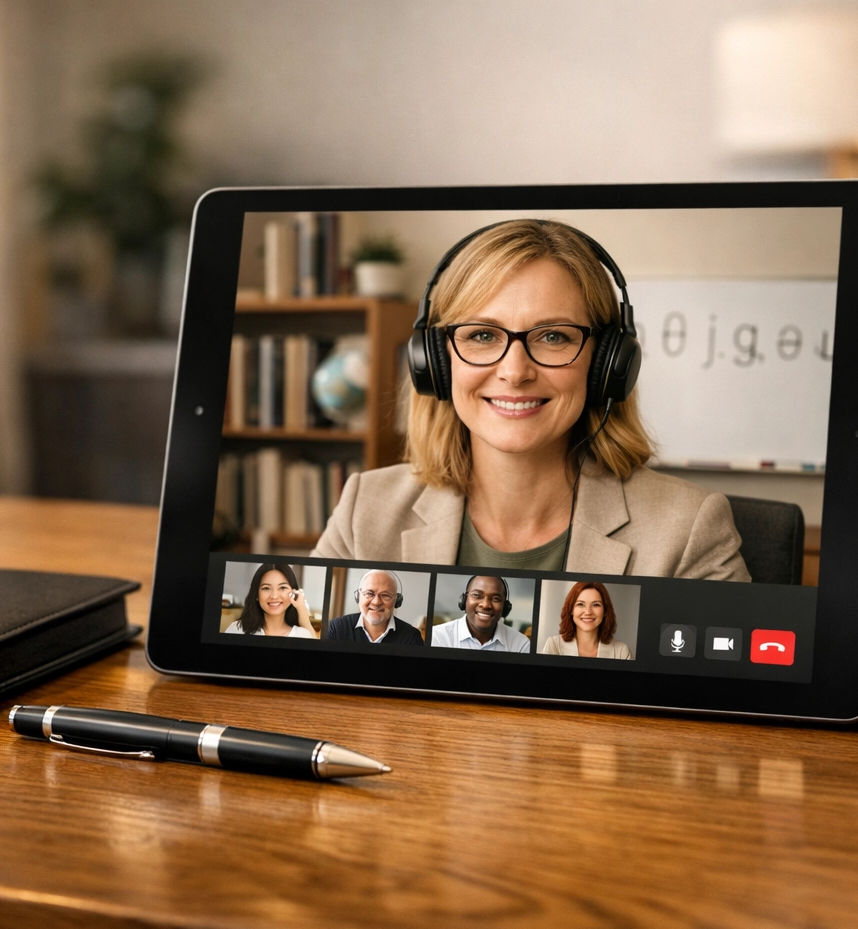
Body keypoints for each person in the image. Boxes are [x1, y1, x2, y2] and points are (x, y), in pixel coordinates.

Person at [313, 219, 749, 580]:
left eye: (554, 336)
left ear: (607, 364)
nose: (515, 371)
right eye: (482, 335)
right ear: (435, 361)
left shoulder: (689, 528)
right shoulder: (365, 509)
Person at [324, 569, 424, 645]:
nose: (376, 602)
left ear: (397, 600)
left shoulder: (411, 637)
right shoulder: (335, 628)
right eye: (369, 593)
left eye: (385, 595)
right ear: (358, 596)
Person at [431, 575, 530, 652]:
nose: (486, 605)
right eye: (477, 595)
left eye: (496, 598)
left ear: (505, 607)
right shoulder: (438, 636)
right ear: (464, 601)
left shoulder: (521, 644)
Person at [539, 581, 632, 659]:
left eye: (596, 605)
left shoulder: (622, 651)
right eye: (580, 604)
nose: (588, 612)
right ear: (571, 610)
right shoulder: (554, 645)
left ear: (605, 611)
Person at [223, 563, 317, 637]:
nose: (274, 596)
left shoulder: (303, 634)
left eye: (282, 587)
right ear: (256, 594)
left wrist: (301, 608)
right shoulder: (237, 629)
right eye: (266, 588)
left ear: (293, 592)